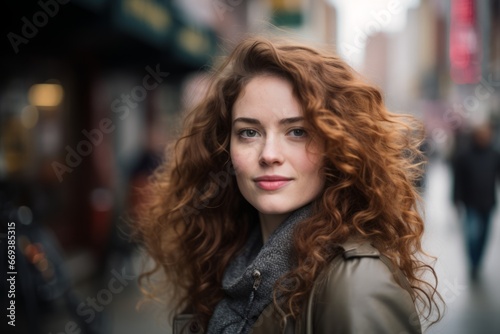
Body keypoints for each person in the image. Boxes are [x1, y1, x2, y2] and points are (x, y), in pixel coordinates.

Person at [135, 36, 442, 333]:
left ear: (337, 147)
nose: (269, 155)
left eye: (297, 132)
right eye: (249, 133)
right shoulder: (228, 257)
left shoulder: (357, 284)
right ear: (223, 148)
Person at [452, 123, 500, 280]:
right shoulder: (464, 155)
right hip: (470, 202)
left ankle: (478, 262)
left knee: (485, 235)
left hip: (488, 202)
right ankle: (473, 263)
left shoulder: (494, 154)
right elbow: (457, 180)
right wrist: (456, 198)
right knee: (472, 235)